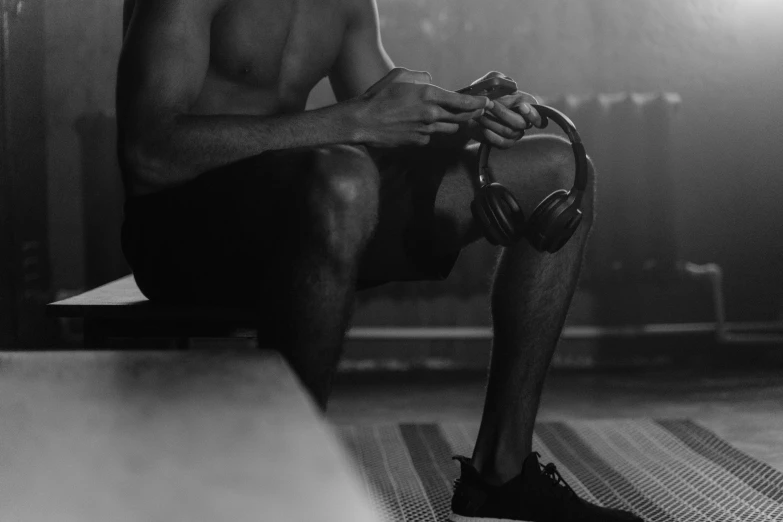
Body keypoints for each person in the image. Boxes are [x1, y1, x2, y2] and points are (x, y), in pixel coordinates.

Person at [116, 1, 642, 521]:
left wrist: (465, 114)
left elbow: (391, 126)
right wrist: (351, 121)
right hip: (187, 232)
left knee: (557, 167)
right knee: (345, 178)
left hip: (315, 208)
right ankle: (284, 491)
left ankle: (501, 473)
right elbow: (148, 154)